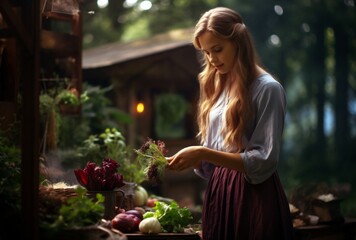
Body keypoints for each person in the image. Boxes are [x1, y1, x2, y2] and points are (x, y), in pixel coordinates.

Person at [166, 7, 294, 240]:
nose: (212, 59)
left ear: (239, 42)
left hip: (253, 196)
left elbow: (265, 160)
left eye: (217, 49)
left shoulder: (268, 89)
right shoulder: (217, 85)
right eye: (206, 53)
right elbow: (213, 152)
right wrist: (188, 159)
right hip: (219, 193)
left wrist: (203, 153)